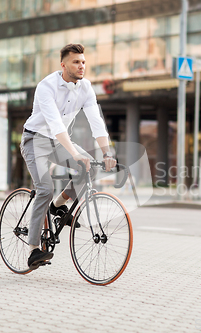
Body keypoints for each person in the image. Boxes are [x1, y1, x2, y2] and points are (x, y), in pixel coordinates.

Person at [20, 43, 116, 270]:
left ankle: (59, 205)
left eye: (83, 62)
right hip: (35, 140)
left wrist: (107, 152)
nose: (82, 66)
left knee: (89, 168)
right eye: (76, 62)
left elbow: (96, 122)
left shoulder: (86, 88)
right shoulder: (47, 86)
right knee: (44, 188)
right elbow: (54, 124)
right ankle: (34, 248)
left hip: (58, 142)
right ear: (63, 65)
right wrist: (74, 153)